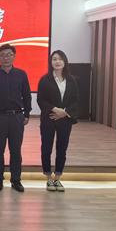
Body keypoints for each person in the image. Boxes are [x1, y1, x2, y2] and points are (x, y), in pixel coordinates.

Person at [0, 44, 31, 192]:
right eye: (3, 55)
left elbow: (27, 95)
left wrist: (27, 114)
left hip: (17, 117)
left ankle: (16, 180)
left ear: (14, 56)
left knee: (16, 150)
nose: (6, 57)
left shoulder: (21, 74)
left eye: (9, 54)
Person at [37, 50, 79, 192]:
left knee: (62, 148)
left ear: (65, 61)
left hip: (65, 120)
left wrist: (64, 112)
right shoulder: (45, 80)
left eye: (60, 59)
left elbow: (76, 101)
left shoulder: (72, 80)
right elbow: (41, 100)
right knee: (46, 148)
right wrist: (55, 109)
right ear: (51, 62)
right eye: (54, 59)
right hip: (49, 118)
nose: (57, 61)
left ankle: (58, 178)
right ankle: (49, 178)